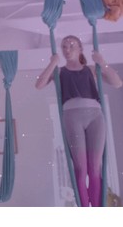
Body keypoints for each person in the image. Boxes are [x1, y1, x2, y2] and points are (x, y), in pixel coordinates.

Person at [35, 35, 122, 207]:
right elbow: (39, 85)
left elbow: (118, 83)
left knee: (95, 168)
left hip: (95, 116)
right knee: (81, 169)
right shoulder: (59, 72)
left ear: (80, 48)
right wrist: (53, 62)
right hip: (72, 116)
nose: (67, 50)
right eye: (64, 46)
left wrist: (102, 61)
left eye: (71, 46)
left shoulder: (91, 70)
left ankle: (97, 209)